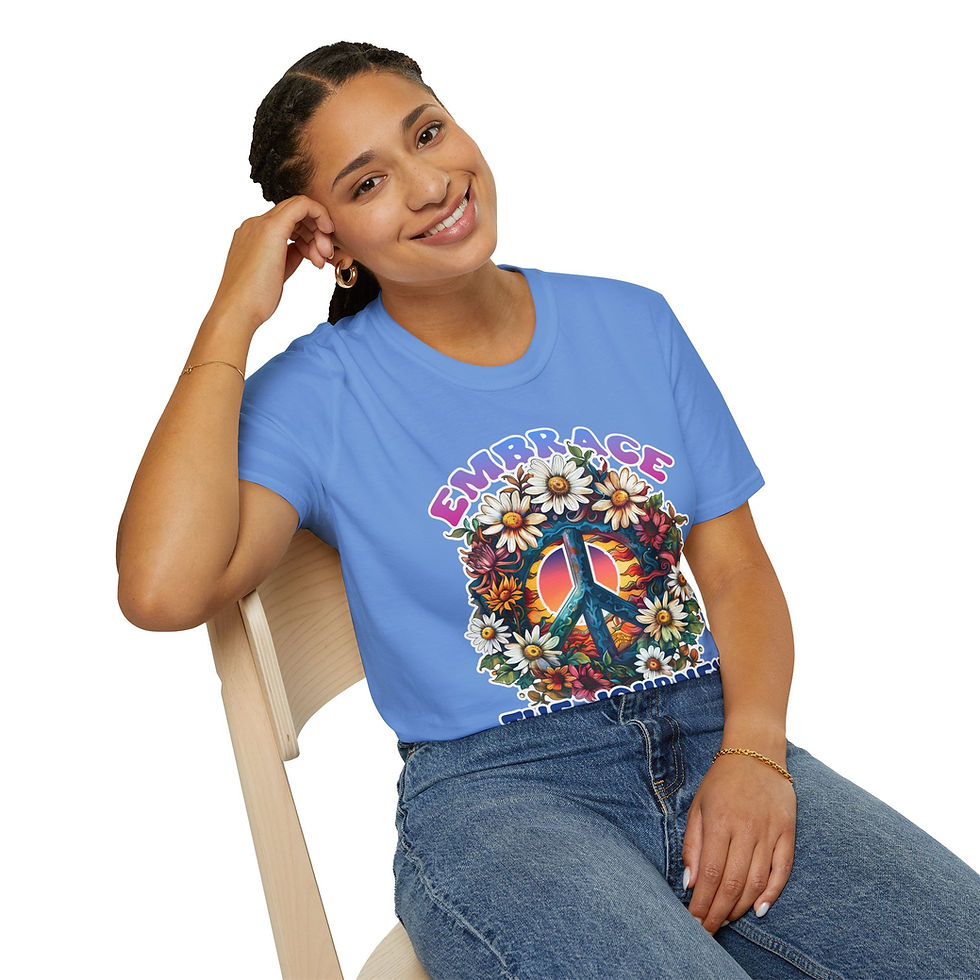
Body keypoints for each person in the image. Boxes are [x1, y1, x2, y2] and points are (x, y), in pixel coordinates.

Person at [116, 41, 980, 979]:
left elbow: (733, 570)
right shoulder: (318, 394)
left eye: (429, 133)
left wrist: (757, 754)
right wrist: (231, 313)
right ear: (329, 244)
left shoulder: (635, 322)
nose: (429, 184)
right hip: (499, 794)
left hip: (711, 732)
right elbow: (162, 589)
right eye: (368, 184)